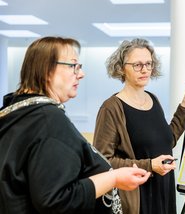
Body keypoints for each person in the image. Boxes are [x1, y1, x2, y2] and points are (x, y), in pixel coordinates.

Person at [0, 36, 151, 214]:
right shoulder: (49, 120)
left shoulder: (16, 112)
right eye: (73, 66)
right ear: (47, 70)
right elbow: (56, 199)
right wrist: (114, 178)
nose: (81, 73)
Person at [93, 38, 185, 214]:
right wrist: (149, 165)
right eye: (138, 65)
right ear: (121, 68)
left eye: (149, 64)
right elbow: (103, 162)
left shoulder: (153, 99)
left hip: (163, 190)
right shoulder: (111, 107)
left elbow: (167, 140)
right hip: (135, 198)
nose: (145, 69)